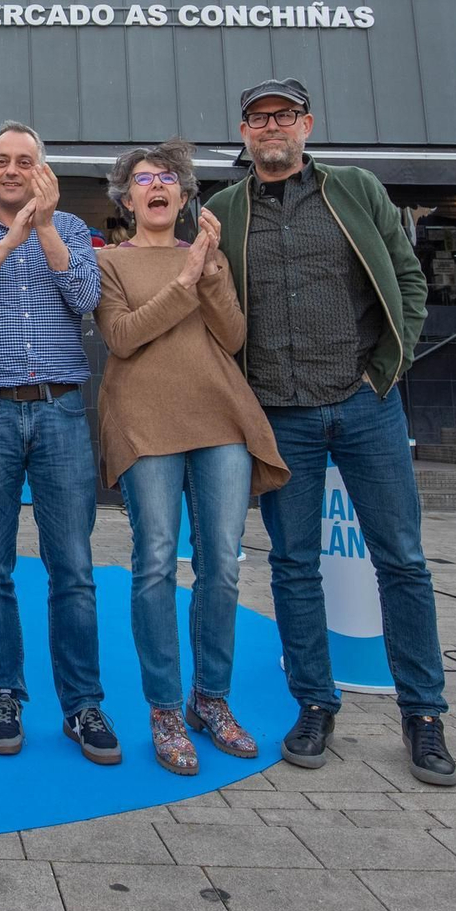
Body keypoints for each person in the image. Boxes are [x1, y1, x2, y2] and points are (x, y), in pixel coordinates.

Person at [206, 77, 456, 787]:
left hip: (364, 403)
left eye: (282, 115)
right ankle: (314, 701)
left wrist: (389, 366)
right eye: (257, 119)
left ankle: (424, 714)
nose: (270, 127)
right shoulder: (224, 209)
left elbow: (408, 281)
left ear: (307, 124)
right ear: (245, 132)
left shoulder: (356, 189)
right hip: (279, 413)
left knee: (402, 559)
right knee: (292, 565)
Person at [95, 139, 289, 775]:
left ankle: (211, 698)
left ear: (183, 195)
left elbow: (232, 338)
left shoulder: (208, 257)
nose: (157, 186)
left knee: (222, 567)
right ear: (127, 198)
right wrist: (183, 282)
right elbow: (123, 338)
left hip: (220, 418)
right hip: (145, 422)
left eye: (168, 178)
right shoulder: (110, 263)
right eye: (144, 179)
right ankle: (164, 709)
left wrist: (206, 272)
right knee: (154, 563)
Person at [0, 122, 118, 765]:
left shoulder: (68, 230)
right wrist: (12, 236)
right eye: (3, 161)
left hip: (62, 412)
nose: (13, 170)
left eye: (26, 161)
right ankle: (4, 695)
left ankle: (83, 704)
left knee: (73, 566)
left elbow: (86, 297)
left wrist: (41, 226)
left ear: (42, 171)